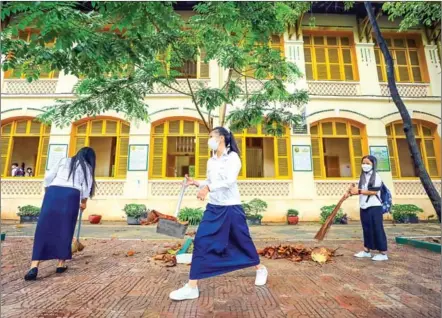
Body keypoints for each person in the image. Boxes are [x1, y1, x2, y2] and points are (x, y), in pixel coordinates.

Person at [169, 127, 267, 301]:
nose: (209, 140)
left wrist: (207, 188)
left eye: (211, 137)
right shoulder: (211, 160)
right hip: (214, 207)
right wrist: (197, 183)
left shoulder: (233, 158)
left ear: (221, 138)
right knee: (201, 240)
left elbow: (229, 181)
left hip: (231, 207)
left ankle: (260, 268)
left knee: (242, 240)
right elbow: (211, 181)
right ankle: (192, 286)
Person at [24, 147, 96, 280]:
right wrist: (84, 202)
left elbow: (48, 177)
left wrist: (49, 193)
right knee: (66, 229)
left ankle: (34, 266)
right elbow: (86, 188)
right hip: (71, 195)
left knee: (43, 229)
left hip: (53, 192)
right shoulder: (87, 168)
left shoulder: (64, 161)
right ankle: (60, 264)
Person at [346, 155, 388, 261]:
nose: (365, 165)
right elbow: (360, 190)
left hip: (374, 206)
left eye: (368, 163)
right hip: (364, 206)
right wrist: (351, 192)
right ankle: (366, 251)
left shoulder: (376, 177)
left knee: (377, 228)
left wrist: (358, 191)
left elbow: (373, 191)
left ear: (373, 164)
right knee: (366, 228)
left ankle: (383, 253)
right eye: (363, 163)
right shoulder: (363, 177)